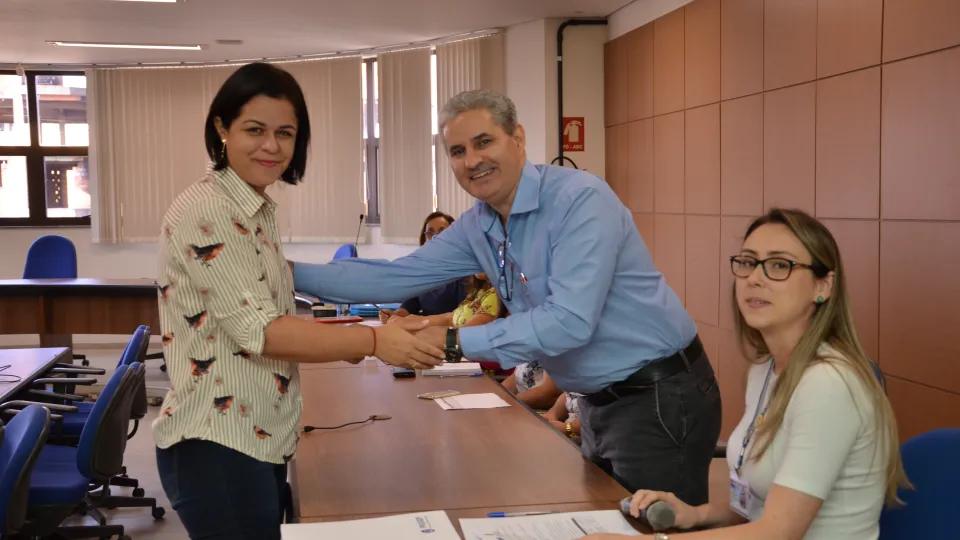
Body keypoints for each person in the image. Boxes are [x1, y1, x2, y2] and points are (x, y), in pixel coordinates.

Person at [291, 89, 722, 502]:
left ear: (518, 139)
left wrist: (451, 343)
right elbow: (394, 277)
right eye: (458, 152)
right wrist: (280, 271)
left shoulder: (580, 200)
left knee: (654, 531)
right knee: (606, 523)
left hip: (659, 396)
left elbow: (568, 321)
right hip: (596, 402)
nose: (472, 161)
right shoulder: (479, 224)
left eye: (484, 142)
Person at [151, 62, 444, 540]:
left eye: (285, 133)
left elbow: (271, 308)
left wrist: (371, 335)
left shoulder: (254, 206)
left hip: (254, 436)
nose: (272, 146)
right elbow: (261, 332)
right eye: (255, 130)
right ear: (221, 128)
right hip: (216, 442)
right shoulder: (211, 210)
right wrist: (372, 340)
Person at [584, 209, 909, 540]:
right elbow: (757, 506)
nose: (756, 277)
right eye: (749, 262)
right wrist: (695, 514)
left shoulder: (829, 384)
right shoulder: (765, 367)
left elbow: (779, 531)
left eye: (780, 265)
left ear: (822, 285)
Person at [378, 211, 466, 323]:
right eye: (430, 233)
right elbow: (410, 304)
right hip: (425, 331)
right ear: (424, 239)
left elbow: (462, 314)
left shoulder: (464, 271)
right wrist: (395, 315)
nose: (436, 237)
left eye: (443, 232)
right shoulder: (421, 270)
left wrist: (420, 320)